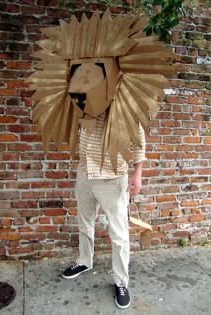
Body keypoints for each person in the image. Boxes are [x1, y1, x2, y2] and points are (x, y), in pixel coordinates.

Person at [62, 111, 146, 309]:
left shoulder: (125, 99)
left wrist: (137, 173)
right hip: (85, 172)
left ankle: (121, 283)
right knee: (85, 222)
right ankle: (84, 260)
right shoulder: (82, 96)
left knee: (119, 234)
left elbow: (139, 139)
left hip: (113, 176)